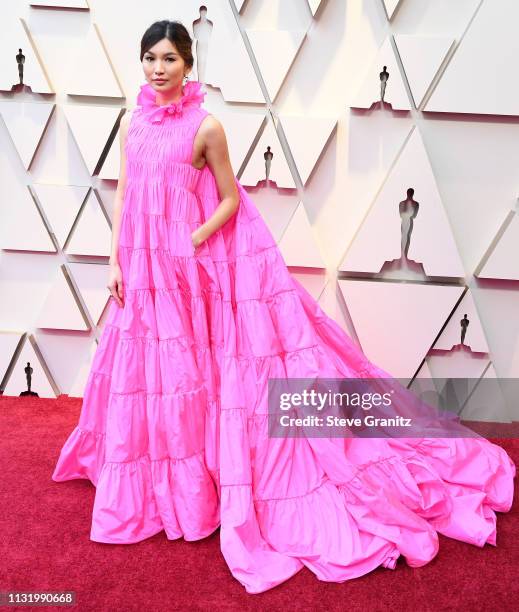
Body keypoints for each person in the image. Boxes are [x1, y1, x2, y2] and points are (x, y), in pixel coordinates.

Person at [52, 20, 516, 595]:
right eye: (150, 58)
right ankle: (160, 480)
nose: (157, 69)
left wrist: (191, 241)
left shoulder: (207, 127)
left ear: (188, 63)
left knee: (199, 372)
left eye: (169, 58)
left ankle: (203, 481)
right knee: (153, 372)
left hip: (186, 267)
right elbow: (124, 191)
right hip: (141, 266)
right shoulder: (134, 121)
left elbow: (228, 200)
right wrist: (117, 259)